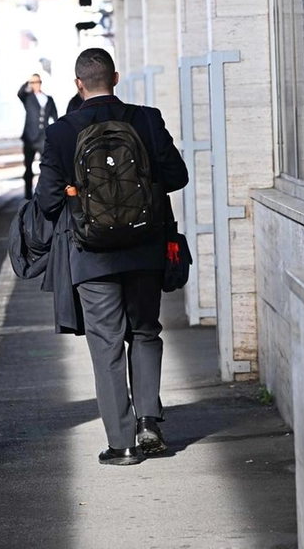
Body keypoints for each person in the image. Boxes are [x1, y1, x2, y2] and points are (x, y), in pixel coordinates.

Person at [35, 48, 188, 466]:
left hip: (92, 255)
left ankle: (122, 444)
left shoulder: (62, 132)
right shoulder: (147, 119)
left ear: (78, 84)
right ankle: (150, 422)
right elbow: (178, 176)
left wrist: (75, 192)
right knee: (144, 332)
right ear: (116, 78)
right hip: (144, 249)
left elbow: (47, 200)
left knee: (106, 347)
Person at [17, 73, 59, 199]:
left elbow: (55, 118)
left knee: (45, 166)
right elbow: (20, 93)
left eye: (38, 82)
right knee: (28, 167)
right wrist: (27, 82)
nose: (36, 84)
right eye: (33, 82)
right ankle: (27, 194)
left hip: (43, 137)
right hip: (30, 137)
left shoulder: (48, 99)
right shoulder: (27, 98)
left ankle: (43, 192)